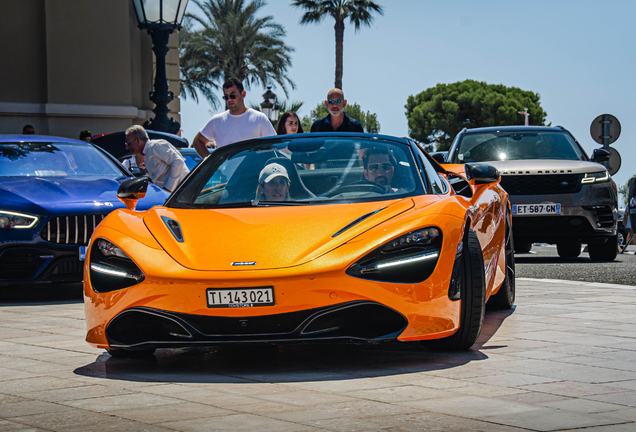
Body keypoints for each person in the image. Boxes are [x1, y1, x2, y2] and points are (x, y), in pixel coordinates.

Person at [192, 77, 276, 158]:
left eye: (232, 96)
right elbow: (198, 141)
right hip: (227, 172)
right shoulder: (216, 121)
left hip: (253, 171)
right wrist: (212, 164)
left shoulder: (259, 118)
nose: (229, 99)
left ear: (243, 94)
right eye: (226, 97)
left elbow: (274, 145)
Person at [124, 125, 189, 193]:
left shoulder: (155, 145)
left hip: (184, 192)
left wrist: (169, 189)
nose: (127, 147)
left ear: (137, 140)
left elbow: (178, 161)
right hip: (178, 194)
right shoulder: (148, 153)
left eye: (128, 143)